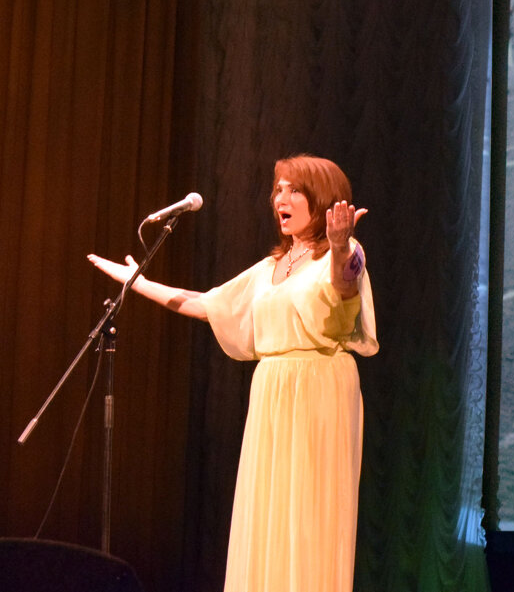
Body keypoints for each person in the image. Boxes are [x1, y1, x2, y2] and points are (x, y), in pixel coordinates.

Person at [89, 155, 377, 591]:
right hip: (273, 391)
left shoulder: (344, 253)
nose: (280, 198)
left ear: (320, 201)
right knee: (269, 512)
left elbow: (345, 286)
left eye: (294, 189)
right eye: (277, 189)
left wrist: (338, 247)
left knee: (308, 515)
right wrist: (137, 281)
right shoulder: (270, 269)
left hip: (319, 391)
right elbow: (207, 304)